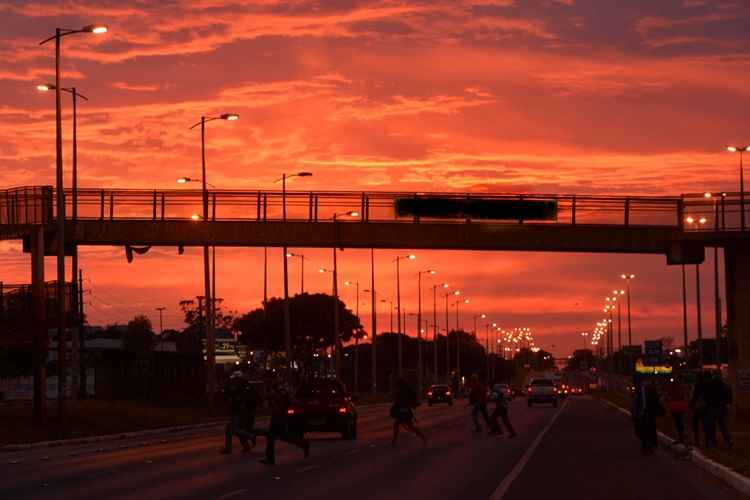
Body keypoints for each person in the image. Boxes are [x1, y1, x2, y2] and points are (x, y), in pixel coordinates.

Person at [260, 379, 310, 466]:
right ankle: (303, 444)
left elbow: (282, 401)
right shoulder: (278, 391)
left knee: (272, 437)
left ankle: (270, 459)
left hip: (279, 416)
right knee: (283, 436)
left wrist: (272, 396)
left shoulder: (280, 391)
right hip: (278, 415)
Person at [220, 371, 255, 454]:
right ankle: (236, 448)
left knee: (233, 429)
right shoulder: (243, 385)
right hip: (240, 411)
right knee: (229, 430)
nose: (233, 380)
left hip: (239, 412)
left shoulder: (240, 386)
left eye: (235, 378)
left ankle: (251, 436)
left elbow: (233, 395)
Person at [391, 378, 427, 446]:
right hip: (403, 411)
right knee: (400, 425)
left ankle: (422, 437)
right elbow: (398, 402)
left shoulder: (404, 391)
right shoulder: (402, 391)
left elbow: (400, 401)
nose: (396, 387)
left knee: (406, 425)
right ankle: (422, 437)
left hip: (405, 411)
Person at [703, 371, 733, 449]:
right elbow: (729, 393)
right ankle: (728, 440)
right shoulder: (723, 384)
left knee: (712, 425)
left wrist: (707, 404)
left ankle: (713, 442)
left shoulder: (710, 384)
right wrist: (728, 403)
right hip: (722, 407)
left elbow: (707, 396)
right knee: (722, 425)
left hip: (713, 407)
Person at [633, 378, 663, 454]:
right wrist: (635, 413)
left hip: (649, 413)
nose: (646, 383)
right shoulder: (639, 390)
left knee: (649, 430)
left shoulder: (651, 389)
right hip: (641, 413)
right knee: (640, 431)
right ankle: (647, 445)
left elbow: (656, 401)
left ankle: (647, 446)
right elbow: (636, 402)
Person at [664, 375, 690, 445]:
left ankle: (681, 438)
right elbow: (686, 396)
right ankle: (682, 437)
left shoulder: (673, 386)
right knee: (680, 422)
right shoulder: (683, 386)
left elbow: (667, 396)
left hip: (674, 406)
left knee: (678, 423)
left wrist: (668, 400)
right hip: (681, 406)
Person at [690, 371, 708, 447]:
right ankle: (706, 441)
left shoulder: (698, 385)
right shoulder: (706, 384)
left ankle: (697, 441)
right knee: (705, 424)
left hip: (698, 406)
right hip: (705, 406)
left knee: (695, 424)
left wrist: (691, 404)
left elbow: (695, 396)